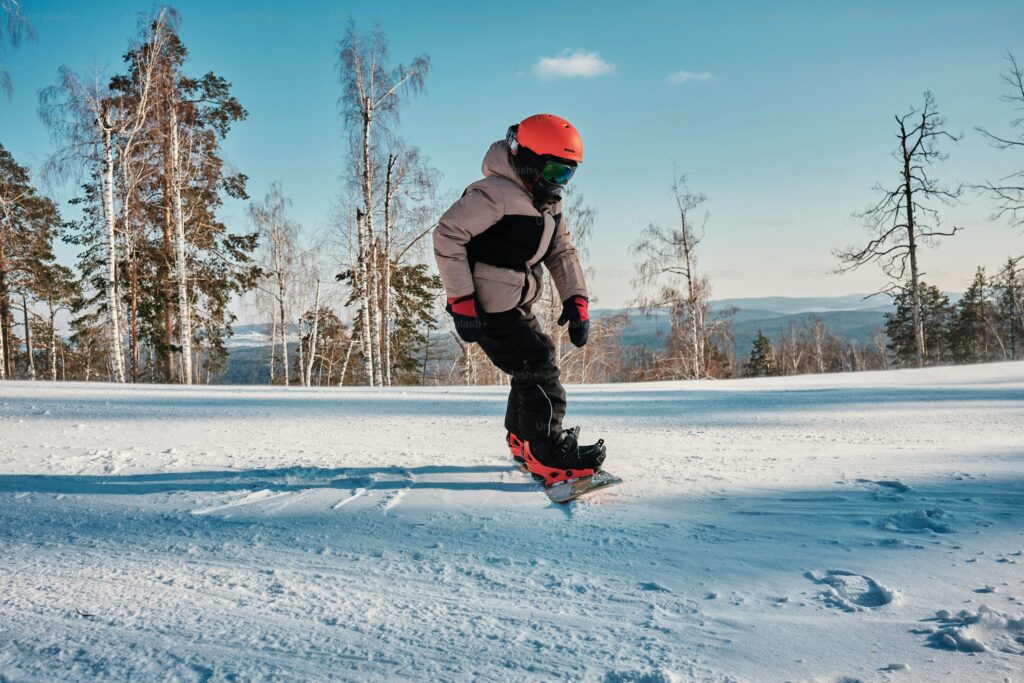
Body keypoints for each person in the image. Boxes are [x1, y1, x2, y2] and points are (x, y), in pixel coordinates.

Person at [432, 114, 606, 486]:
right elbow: (447, 235)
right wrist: (462, 301)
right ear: (529, 161)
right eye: (556, 172)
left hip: (514, 304)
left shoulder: (547, 202)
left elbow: (561, 251)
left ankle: (523, 437)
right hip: (486, 309)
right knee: (538, 366)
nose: (561, 183)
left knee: (529, 366)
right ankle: (547, 452)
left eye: (569, 174)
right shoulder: (494, 194)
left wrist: (576, 299)